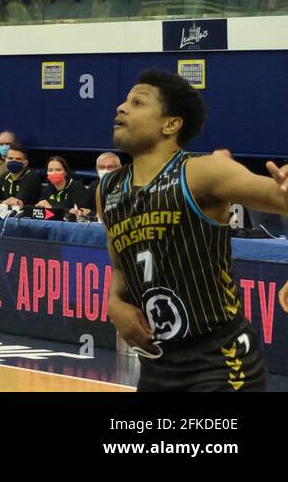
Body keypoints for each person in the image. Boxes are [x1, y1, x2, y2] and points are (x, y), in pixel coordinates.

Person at [100, 69, 288, 391]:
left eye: (138, 102)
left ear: (170, 124)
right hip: (158, 364)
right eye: (124, 101)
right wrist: (114, 303)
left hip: (221, 359)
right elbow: (121, 267)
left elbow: (280, 198)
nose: (121, 107)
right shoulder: (108, 190)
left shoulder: (203, 172)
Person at [34, 155, 92, 220]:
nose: (54, 173)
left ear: (65, 172)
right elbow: (40, 210)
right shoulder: (47, 189)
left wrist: (51, 208)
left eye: (58, 170)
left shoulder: (76, 186)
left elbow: (78, 213)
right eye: (50, 170)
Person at [0, 142, 41, 211]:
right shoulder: (4, 177)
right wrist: (3, 202)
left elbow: (16, 203)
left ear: (25, 163)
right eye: (10, 158)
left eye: (18, 159)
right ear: (6, 160)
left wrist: (2, 203)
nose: (13, 161)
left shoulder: (31, 177)